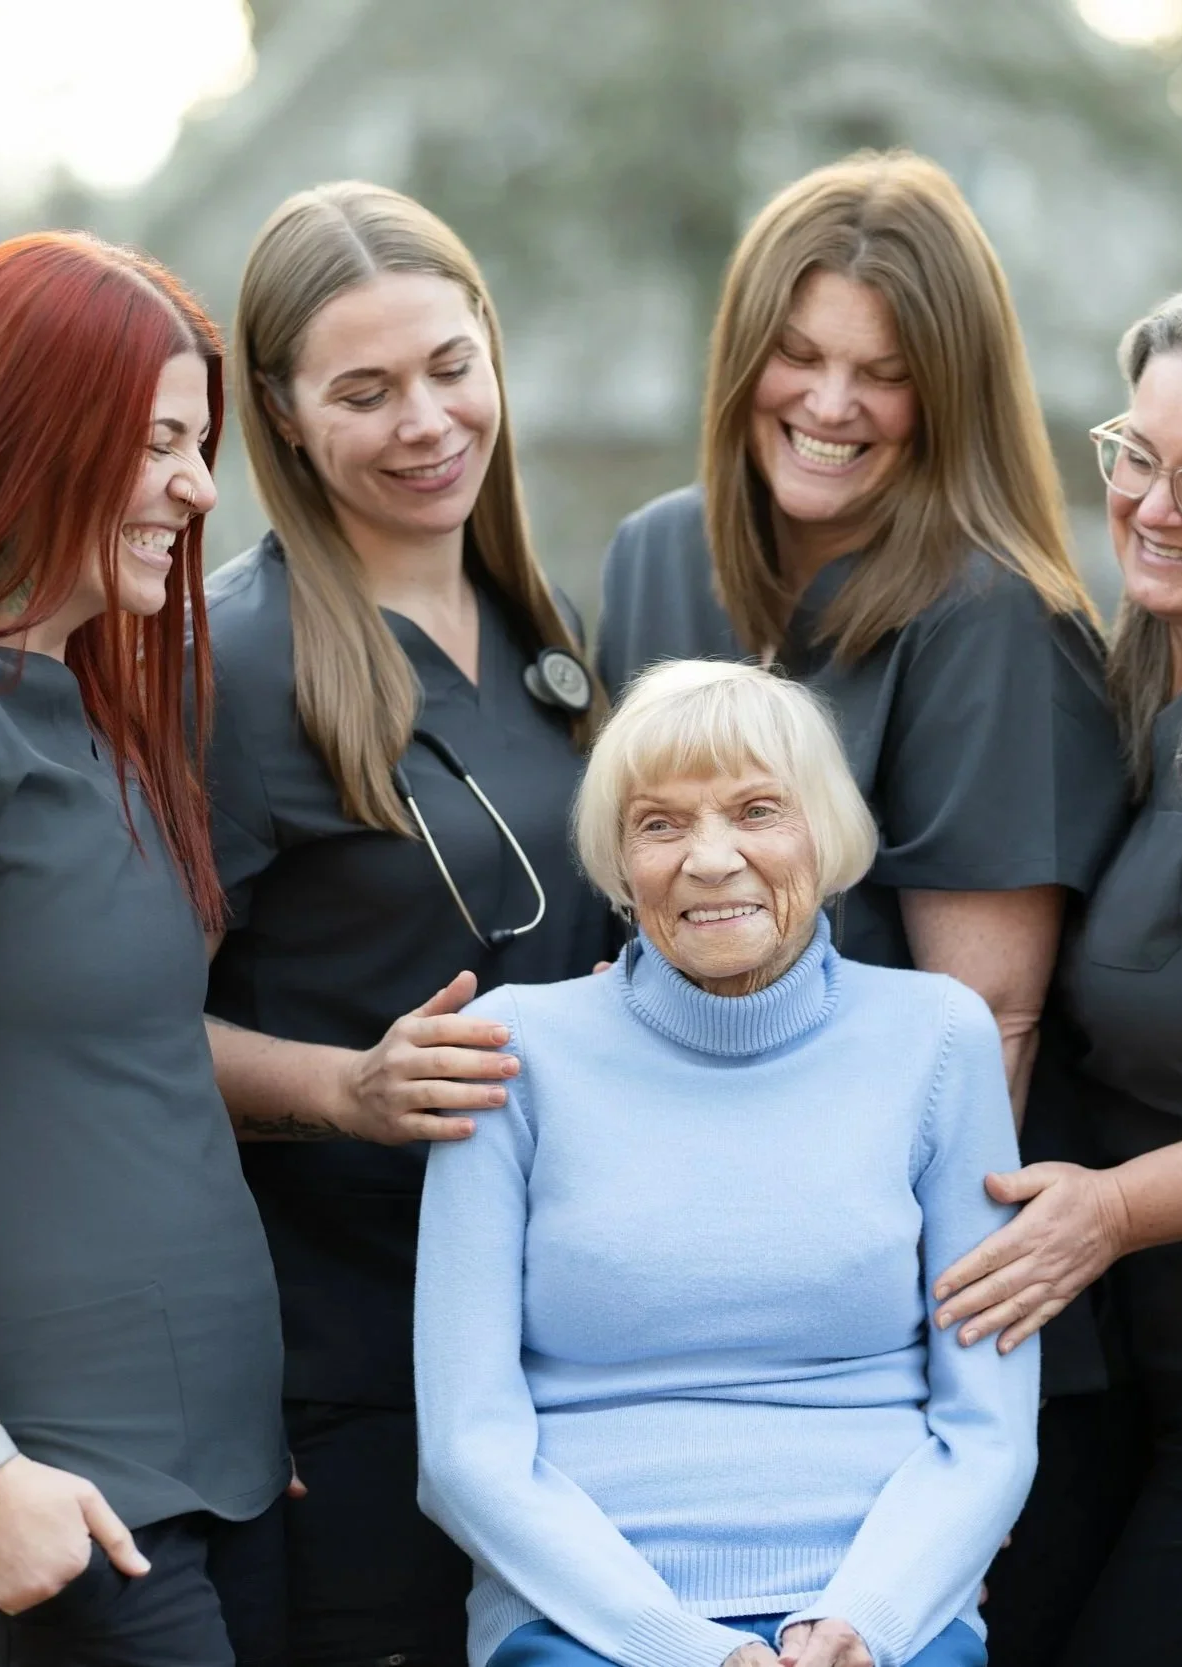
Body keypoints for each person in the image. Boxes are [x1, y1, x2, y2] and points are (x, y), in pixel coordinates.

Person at [592, 149, 1130, 1664]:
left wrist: (914, 1400)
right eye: (801, 354)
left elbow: (987, 1031)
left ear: (942, 394)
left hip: (904, 1345)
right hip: (670, 1340)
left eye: (881, 376)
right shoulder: (652, 557)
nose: (828, 403)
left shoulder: (986, 614)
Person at [415, 659, 1040, 1667]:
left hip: (879, 1615)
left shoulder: (937, 1037)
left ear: (825, 835)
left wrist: (864, 1622)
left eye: (757, 809)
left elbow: (989, 1424)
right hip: (586, 1619)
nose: (710, 859)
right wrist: (679, 1645)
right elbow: (463, 1448)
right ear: (618, 862)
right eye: (659, 823)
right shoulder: (511, 1048)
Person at [198, 182, 617, 1667]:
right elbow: (106, 1031)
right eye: (364, 391)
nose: (426, 420)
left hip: (571, 1350)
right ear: (284, 415)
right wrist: (340, 1088)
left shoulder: (544, 627)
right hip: (354, 1370)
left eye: (450, 366)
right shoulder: (229, 668)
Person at [930, 270, 1182, 1666]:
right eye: (1134, 456)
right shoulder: (1135, 686)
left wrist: (1109, 1210)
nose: (1152, 508)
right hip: (1179, 1381)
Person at [0, 234, 287, 1667]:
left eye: (200, 441)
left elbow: (126, 1076)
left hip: (221, 1467)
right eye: (161, 442)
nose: (198, 485)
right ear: (38, 432)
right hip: (64, 1501)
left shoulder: (100, 717)